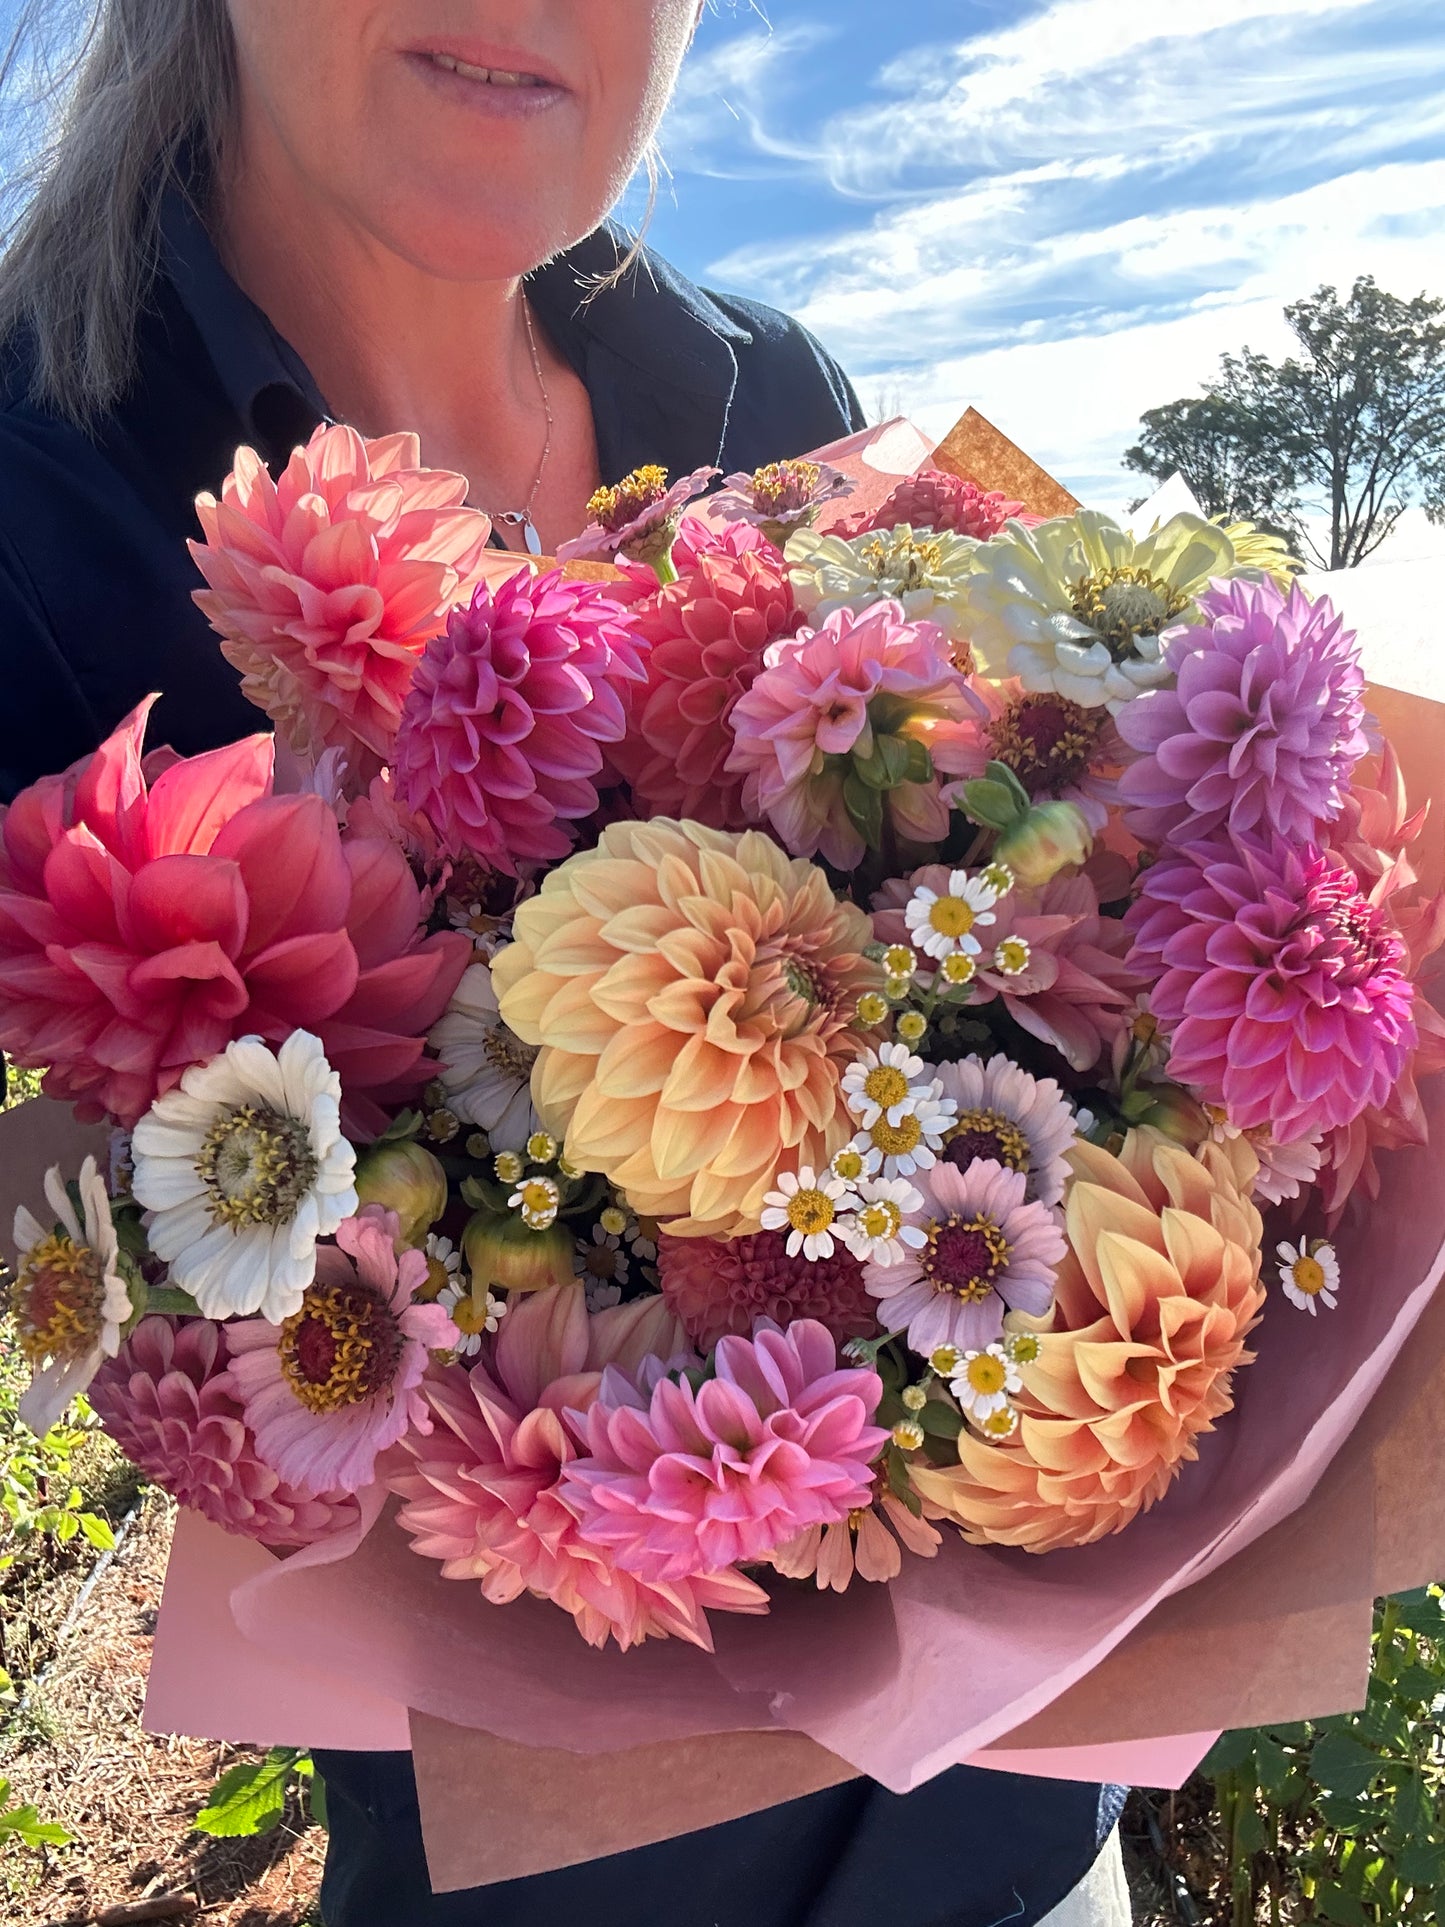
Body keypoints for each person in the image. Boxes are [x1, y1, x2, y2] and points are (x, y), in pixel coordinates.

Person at [0, 5, 1130, 1922]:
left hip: (1028, 1815)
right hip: (531, 1866)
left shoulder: (782, 392)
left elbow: (1085, 884)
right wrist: (176, 1211)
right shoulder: (39, 486)